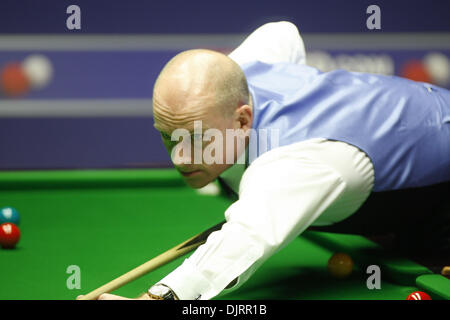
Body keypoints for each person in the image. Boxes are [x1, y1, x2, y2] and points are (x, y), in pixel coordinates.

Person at [97, 21, 450, 300]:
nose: (179, 157)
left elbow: (246, 238)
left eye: (198, 139)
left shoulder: (293, 164)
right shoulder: (246, 70)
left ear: (243, 119)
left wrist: (158, 297)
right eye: (167, 135)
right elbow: (282, 32)